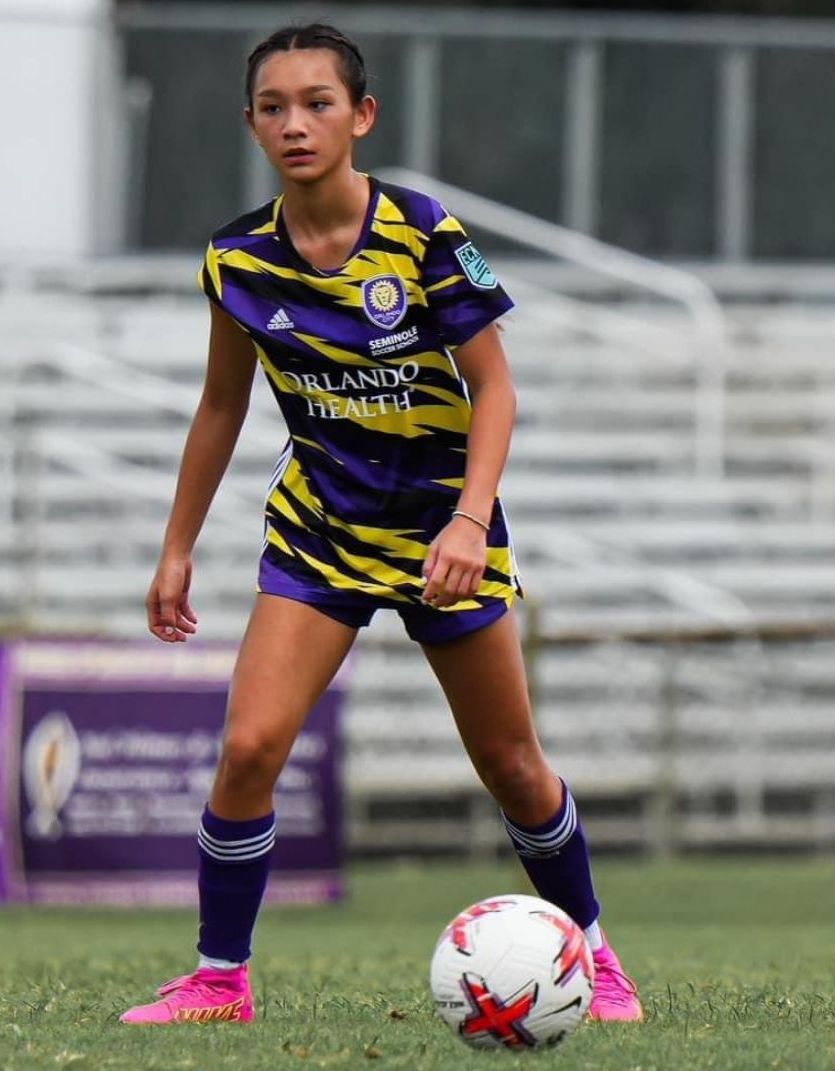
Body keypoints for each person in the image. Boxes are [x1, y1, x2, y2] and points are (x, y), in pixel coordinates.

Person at [119, 22, 642, 1027]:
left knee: (511, 766)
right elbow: (222, 405)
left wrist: (468, 522)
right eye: (274, 107)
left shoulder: (421, 231)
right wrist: (176, 546)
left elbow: (494, 390)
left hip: (444, 533)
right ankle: (219, 980)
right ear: (251, 124)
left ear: (360, 116)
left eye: (318, 102)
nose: (295, 124)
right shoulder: (237, 260)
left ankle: (596, 955)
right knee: (249, 748)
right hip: (321, 533)